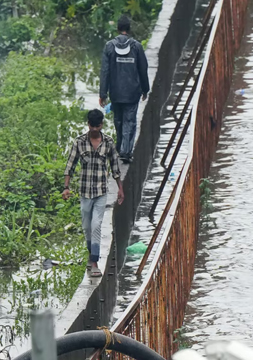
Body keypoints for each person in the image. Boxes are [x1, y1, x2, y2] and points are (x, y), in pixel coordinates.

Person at [63, 110, 125, 278]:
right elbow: (70, 165)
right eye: (92, 126)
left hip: (100, 192)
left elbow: (115, 167)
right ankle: (91, 257)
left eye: (98, 126)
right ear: (88, 125)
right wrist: (66, 187)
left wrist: (120, 188)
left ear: (101, 125)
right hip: (84, 192)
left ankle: (95, 262)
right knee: (87, 227)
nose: (95, 129)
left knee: (96, 225)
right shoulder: (80, 142)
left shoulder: (108, 143)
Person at [99, 15, 150, 163]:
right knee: (129, 121)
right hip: (132, 92)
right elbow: (143, 69)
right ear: (129, 29)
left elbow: (105, 72)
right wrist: (145, 89)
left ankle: (121, 148)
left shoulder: (109, 46)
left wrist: (103, 93)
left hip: (115, 92)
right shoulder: (137, 47)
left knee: (119, 121)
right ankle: (126, 152)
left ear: (117, 28)